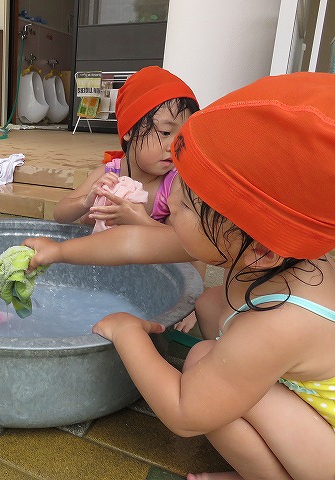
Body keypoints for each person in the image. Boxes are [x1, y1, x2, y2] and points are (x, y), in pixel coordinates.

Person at [93, 73, 335, 479]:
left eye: (188, 203)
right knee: (210, 314)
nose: (171, 204)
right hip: (315, 412)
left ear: (260, 249)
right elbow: (136, 244)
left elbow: (184, 413)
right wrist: (56, 252)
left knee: (209, 386)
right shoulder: (283, 252)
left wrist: (126, 332)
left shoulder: (282, 322)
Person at [53, 66, 199, 229]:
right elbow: (60, 214)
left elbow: (181, 239)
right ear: (129, 131)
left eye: (182, 138)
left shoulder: (174, 185)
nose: (174, 147)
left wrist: (139, 220)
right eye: (165, 132)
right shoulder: (108, 173)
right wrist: (86, 201)